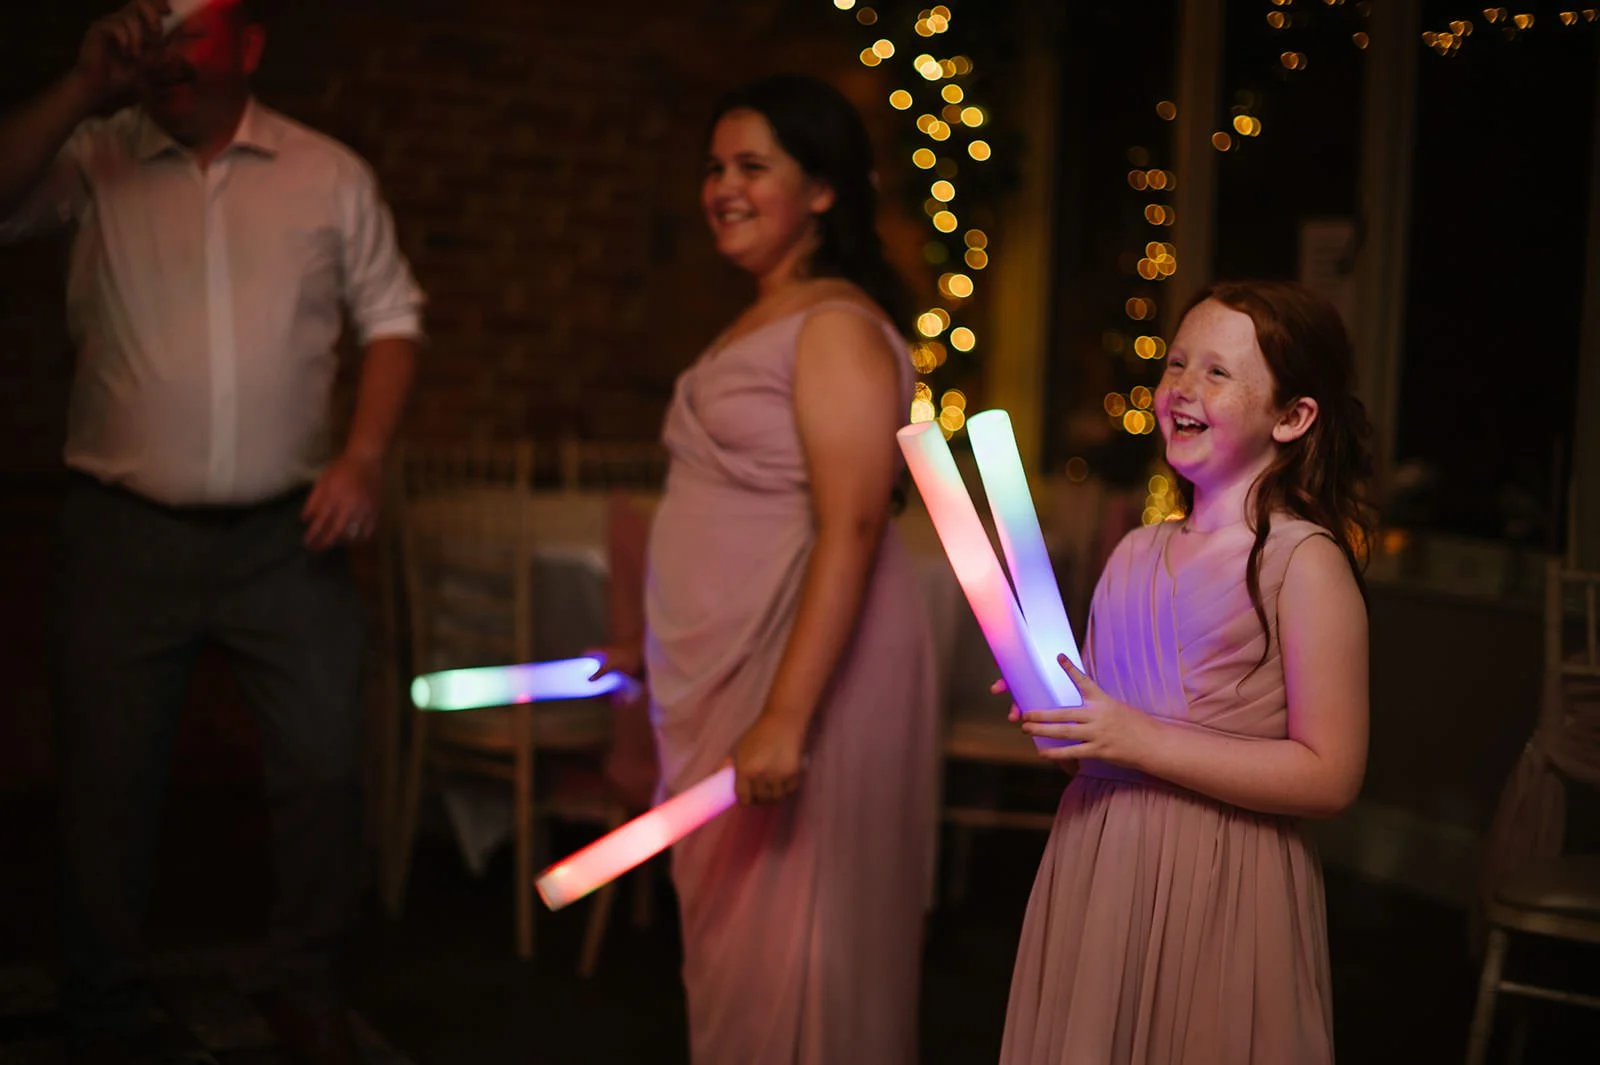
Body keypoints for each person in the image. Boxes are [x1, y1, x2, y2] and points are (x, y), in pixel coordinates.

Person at [0, 1, 425, 1061]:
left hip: (292, 537)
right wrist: (76, 89)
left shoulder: (328, 174)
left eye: (193, 28)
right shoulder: (91, 154)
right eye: (152, 25)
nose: (166, 49)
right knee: (105, 777)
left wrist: (363, 456)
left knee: (326, 762)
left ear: (249, 46)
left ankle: (309, 983)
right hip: (119, 533)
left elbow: (393, 320)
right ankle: (100, 999)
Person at [598, 73, 940, 1065]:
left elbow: (853, 525)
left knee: (799, 946)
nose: (723, 188)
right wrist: (649, 645)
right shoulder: (760, 314)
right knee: (734, 953)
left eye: (754, 166)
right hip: (723, 662)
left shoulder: (832, 325)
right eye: (714, 167)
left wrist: (787, 712)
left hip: (809, 668)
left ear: (823, 191)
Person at [997, 280, 1373, 1065]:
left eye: (1217, 372)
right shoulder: (1136, 551)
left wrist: (1138, 738)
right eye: (1175, 364)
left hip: (1221, 882)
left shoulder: (1304, 563)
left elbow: (1331, 775)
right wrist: (1063, 717)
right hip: (1098, 867)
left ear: (1293, 416)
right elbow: (1097, 750)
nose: (1182, 388)